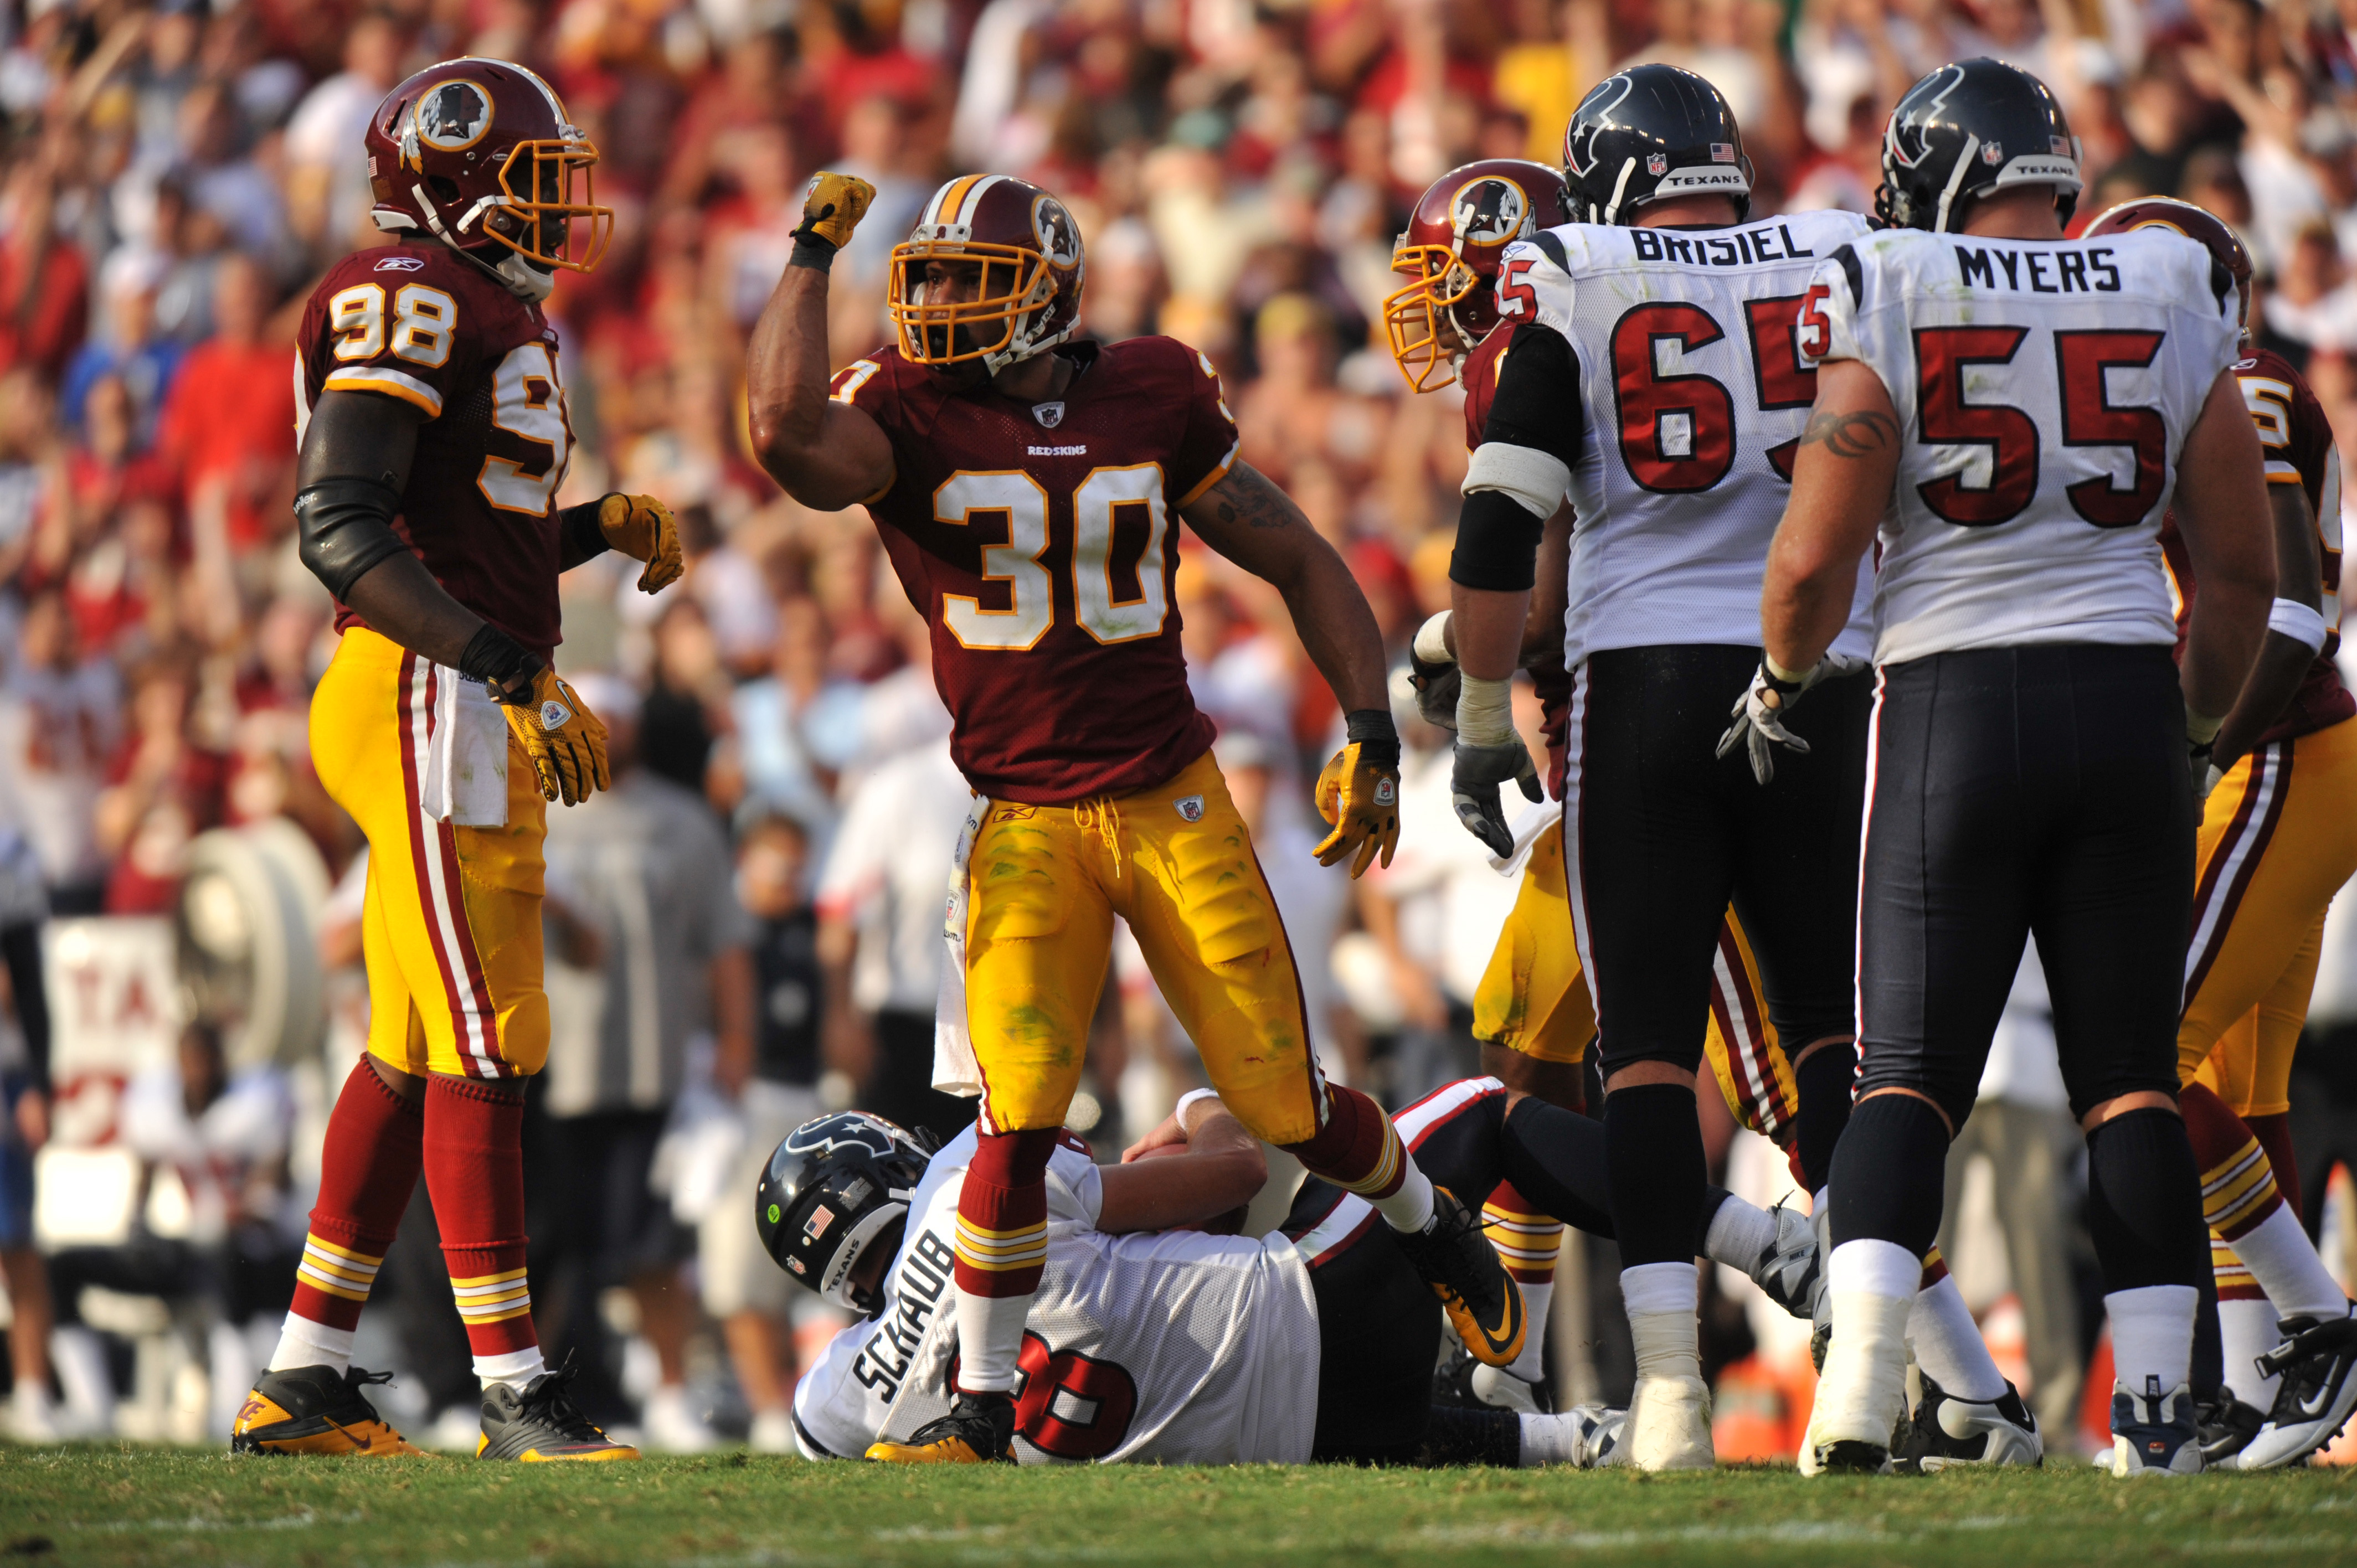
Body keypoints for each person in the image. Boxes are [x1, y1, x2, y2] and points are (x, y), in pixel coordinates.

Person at [746, 168, 1524, 1464]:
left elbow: (1293, 553)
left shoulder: (1152, 388)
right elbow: (779, 435)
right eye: (923, 277)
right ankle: (977, 1409)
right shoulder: (902, 405)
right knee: (1019, 1118)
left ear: (1047, 297)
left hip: (1169, 798)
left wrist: (1369, 727)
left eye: (963, 280)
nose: (932, 303)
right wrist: (808, 253)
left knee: (1284, 1103)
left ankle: (1426, 1221)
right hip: (1024, 820)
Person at [1755, 60, 2272, 1477]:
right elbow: (2237, 572)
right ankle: (2161, 1415)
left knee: (1905, 1081)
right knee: (2129, 1084)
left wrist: (1780, 674)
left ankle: (1859, 1391)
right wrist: (2193, 727)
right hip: (2121, 697)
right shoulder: (2166, 287)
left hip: (1951, 707)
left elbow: (1810, 559)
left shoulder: (1895, 281)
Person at [231, 58, 682, 1462]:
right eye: (537, 179)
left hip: (446, 680)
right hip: (428, 689)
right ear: (452, 179)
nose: (560, 209)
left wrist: (592, 527)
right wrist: (505, 670)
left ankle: (303, 1378)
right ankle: (514, 1388)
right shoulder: (406, 293)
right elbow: (343, 527)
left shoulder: (488, 312)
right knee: (494, 1035)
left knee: (417, 1045)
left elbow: (459, 538)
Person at [1440, 64, 1880, 1471]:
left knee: (1638, 1051)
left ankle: (1674, 1399)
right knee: (1832, 1040)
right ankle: (1867, 1378)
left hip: (1644, 679)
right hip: (1816, 670)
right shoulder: (1833, 248)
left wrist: (1478, 713)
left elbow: (1504, 513)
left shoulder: (1572, 266)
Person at [767, 1082, 1819, 1467]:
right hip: (1320, 1312)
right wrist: (1192, 1112)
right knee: (1487, 1116)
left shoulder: (838, 1403)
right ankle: (1761, 1244)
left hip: (1314, 1442)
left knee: (1276, 1412)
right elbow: (1233, 1177)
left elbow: (840, 1416)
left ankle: (1565, 1433)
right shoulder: (970, 1186)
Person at [2080, 197, 2357, 1471]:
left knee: (2149, 1047)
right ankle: (2267, 1396)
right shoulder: (2246, 381)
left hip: (2283, 751)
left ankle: (2318, 1320)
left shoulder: (2231, 387)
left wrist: (2205, 741)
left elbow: (2295, 610)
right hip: (2300, 753)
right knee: (2241, 1088)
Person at [535, 675, 758, 1452]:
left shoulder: (683, 820)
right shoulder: (540, 813)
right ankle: (537, 1389)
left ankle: (668, 1390)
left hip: (654, 1064)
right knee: (556, 1243)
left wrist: (735, 1042)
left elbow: (725, 942)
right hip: (557, 1066)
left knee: (654, 1243)